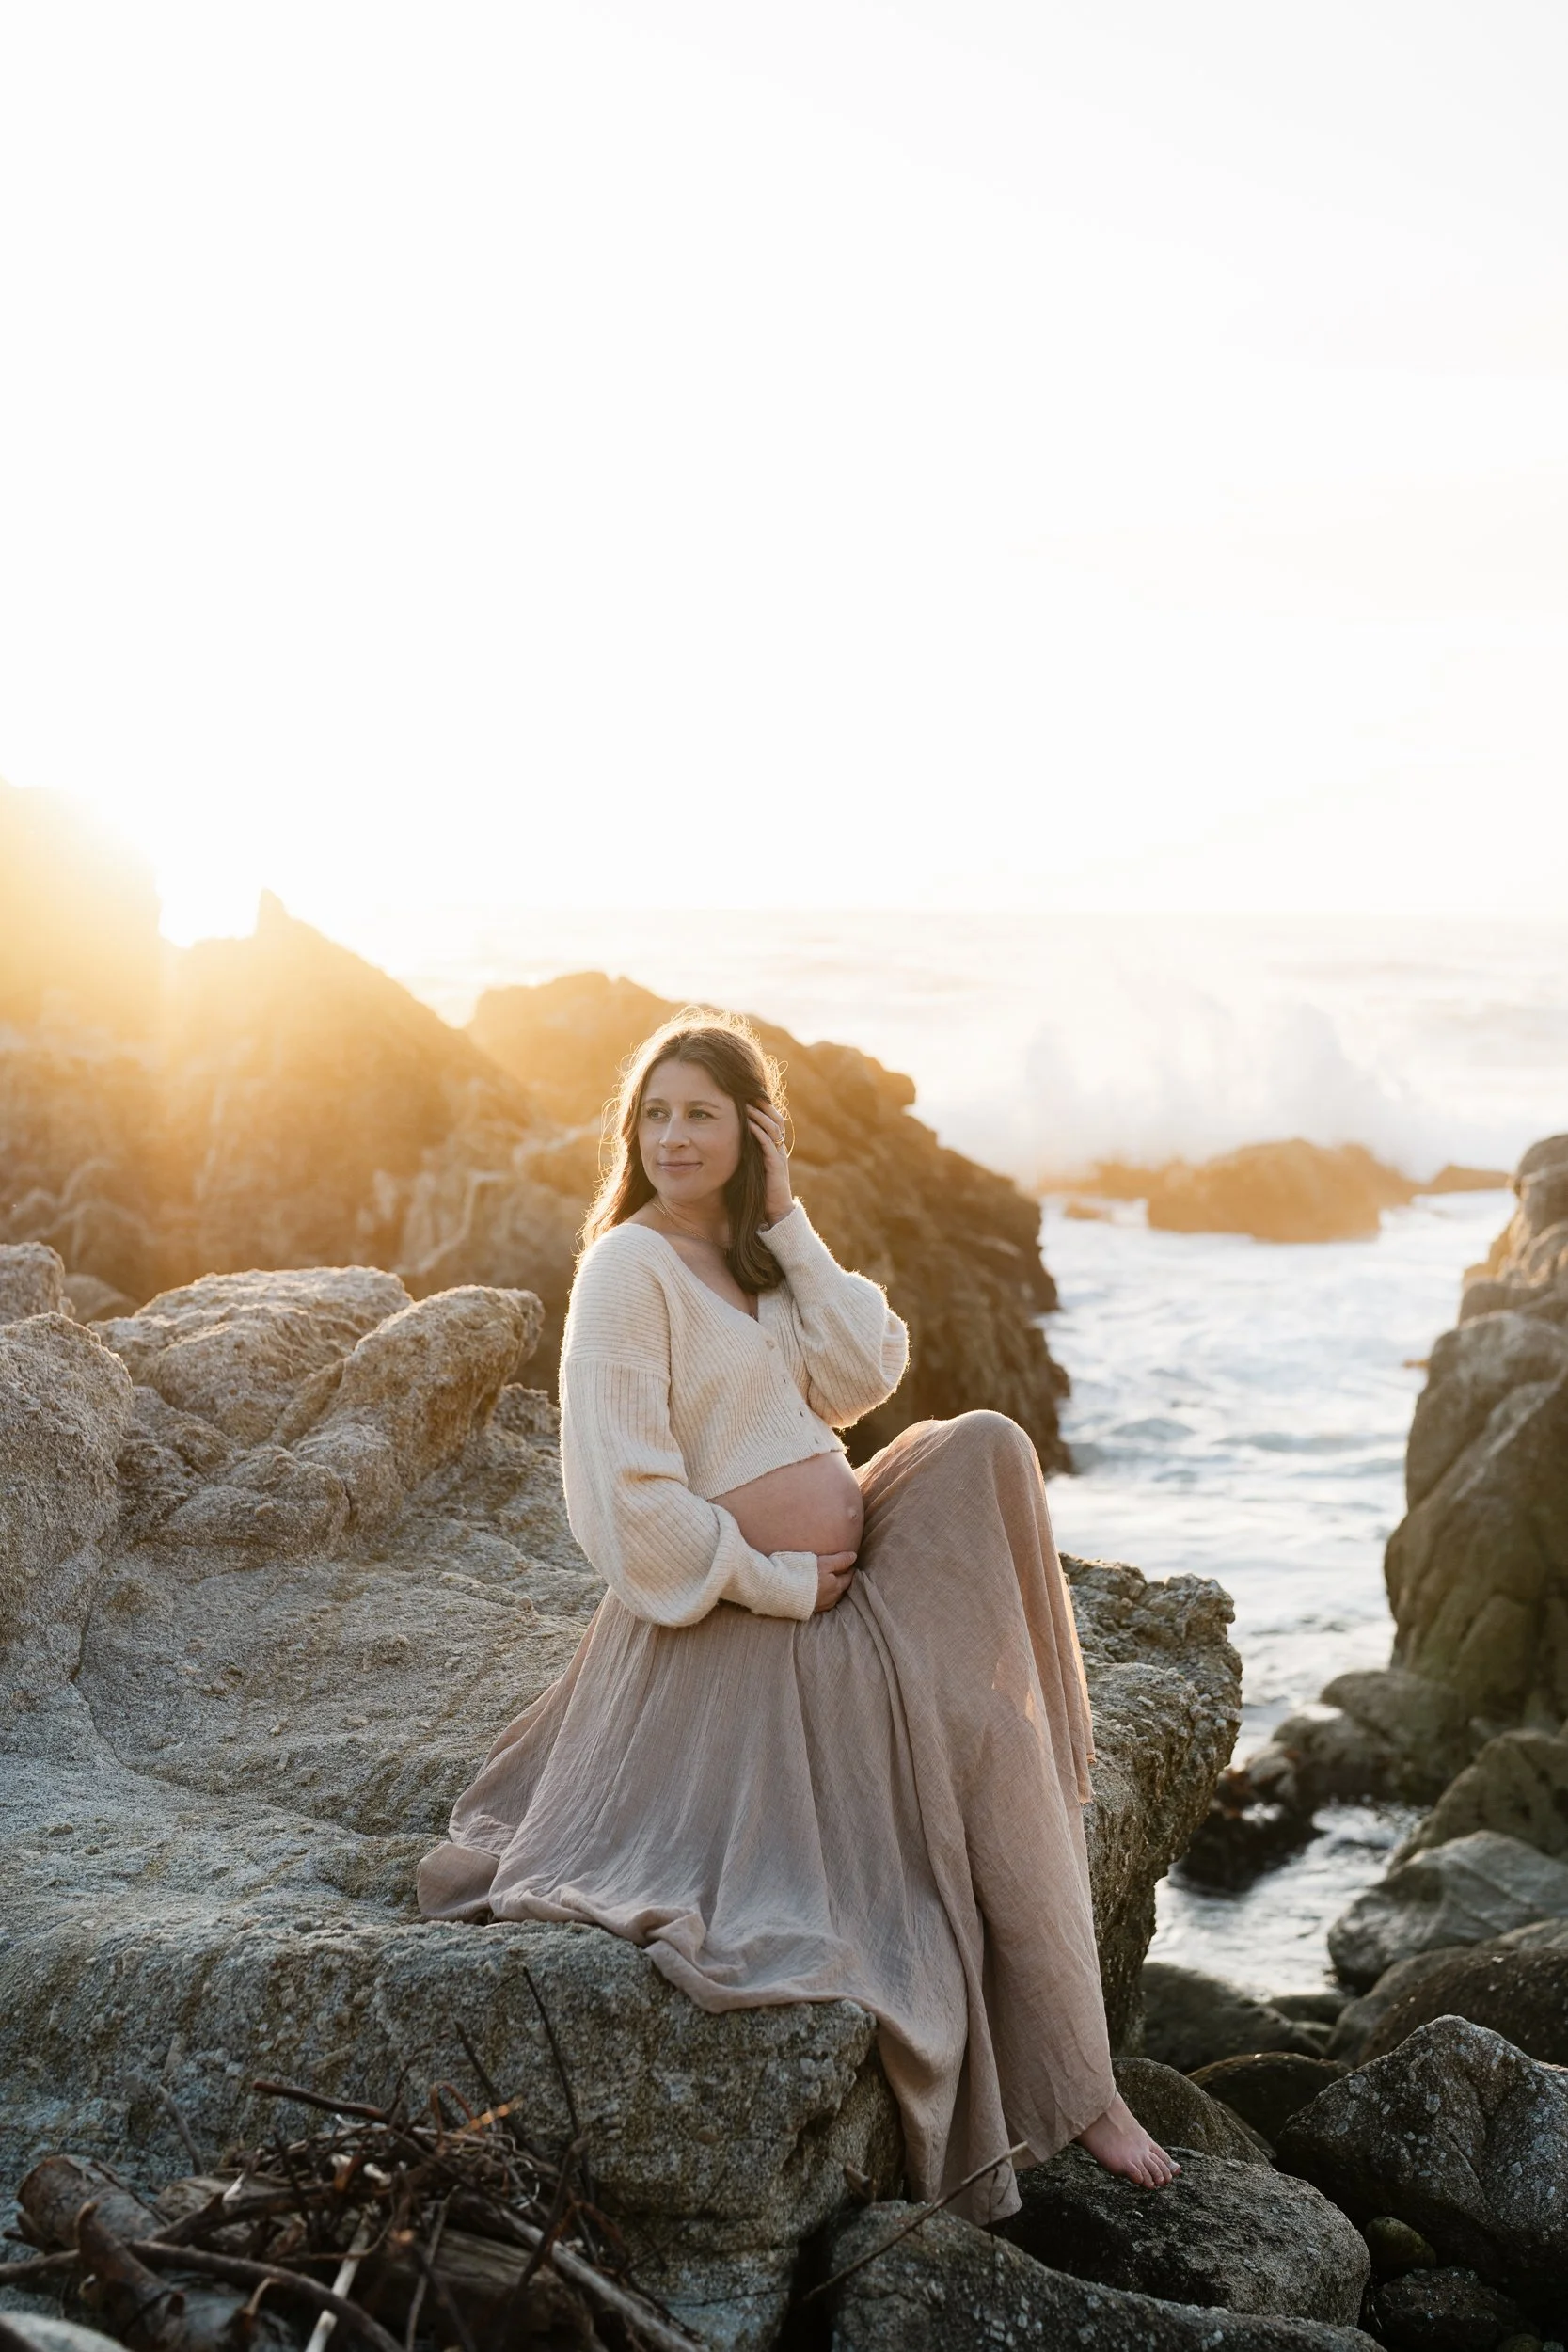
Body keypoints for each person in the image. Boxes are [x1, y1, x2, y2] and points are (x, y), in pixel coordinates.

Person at [418, 1010, 1177, 2217]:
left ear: (750, 1130)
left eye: (701, 1114)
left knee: (983, 1446)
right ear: (633, 1130)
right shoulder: (627, 1266)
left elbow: (867, 1370)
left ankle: (1078, 2059)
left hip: (836, 1575)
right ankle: (1081, 2091)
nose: (672, 1136)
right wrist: (771, 1581)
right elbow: (623, 1499)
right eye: (654, 1113)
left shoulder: (756, 1259)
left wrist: (784, 1216)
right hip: (736, 1617)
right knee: (974, 1746)